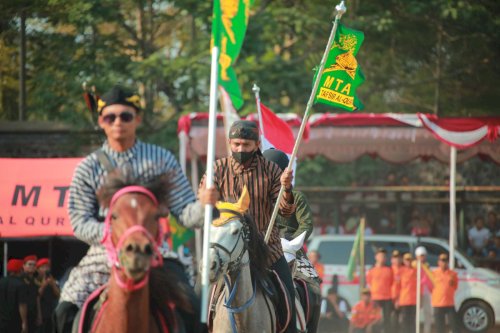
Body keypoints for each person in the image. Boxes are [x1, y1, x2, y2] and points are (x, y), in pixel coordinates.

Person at [57, 85, 212, 333]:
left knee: (192, 308)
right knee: (64, 311)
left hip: (156, 252)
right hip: (103, 255)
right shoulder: (88, 168)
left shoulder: (161, 159)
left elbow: (185, 213)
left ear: (137, 118)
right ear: (101, 121)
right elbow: (79, 221)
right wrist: (116, 235)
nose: (118, 122)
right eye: (110, 117)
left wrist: (205, 206)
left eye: (125, 116)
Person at [198, 120, 297, 333]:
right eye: (236, 145)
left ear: (257, 144)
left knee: (288, 303)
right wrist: (204, 199)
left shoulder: (271, 170)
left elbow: (285, 211)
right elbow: (201, 207)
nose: (241, 149)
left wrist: (287, 189)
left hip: (267, 250)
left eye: (246, 145)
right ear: (229, 143)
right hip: (224, 251)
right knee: (196, 300)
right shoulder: (215, 170)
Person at [366, 248, 393, 333]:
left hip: (387, 298)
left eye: (384, 256)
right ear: (376, 257)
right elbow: (369, 282)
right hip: (376, 298)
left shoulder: (389, 270)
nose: (382, 258)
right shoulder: (371, 270)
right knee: (375, 319)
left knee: (386, 319)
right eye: (380, 256)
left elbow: (392, 283)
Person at [432, 253, 459, 333]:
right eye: (442, 260)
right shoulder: (434, 273)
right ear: (438, 262)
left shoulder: (453, 274)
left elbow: (455, 287)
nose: (444, 263)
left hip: (449, 303)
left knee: (455, 326)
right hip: (437, 304)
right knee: (439, 328)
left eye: (445, 261)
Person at [0, 259, 28, 333]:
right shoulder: (21, 285)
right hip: (15, 321)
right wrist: (24, 322)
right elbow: (22, 305)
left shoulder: (1, 282)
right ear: (20, 270)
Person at [36, 258, 60, 333]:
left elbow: (59, 295)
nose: (46, 269)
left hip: (51, 313)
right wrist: (43, 285)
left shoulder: (53, 281)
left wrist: (52, 284)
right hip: (40, 313)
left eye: (47, 267)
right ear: (38, 270)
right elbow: (37, 296)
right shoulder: (35, 281)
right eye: (43, 267)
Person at [395, 253, 417, 332]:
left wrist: (420, 298)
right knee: (404, 320)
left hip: (414, 300)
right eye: (407, 260)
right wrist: (397, 299)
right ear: (404, 261)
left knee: (413, 320)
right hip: (404, 300)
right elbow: (397, 286)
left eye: (410, 260)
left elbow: (419, 286)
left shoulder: (416, 271)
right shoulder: (400, 271)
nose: (409, 261)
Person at [415, 246, 434, 333]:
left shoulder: (427, 266)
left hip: (426, 292)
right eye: (421, 255)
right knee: (415, 314)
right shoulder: (414, 266)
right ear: (417, 256)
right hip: (416, 293)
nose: (422, 257)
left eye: (424, 255)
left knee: (428, 314)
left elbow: (431, 279)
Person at [22, 255, 41, 333]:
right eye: (29, 264)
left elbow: (37, 298)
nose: (32, 267)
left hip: (33, 313)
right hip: (22, 314)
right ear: (24, 266)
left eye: (34, 265)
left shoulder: (35, 282)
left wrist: (39, 315)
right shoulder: (20, 280)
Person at [390, 250, 402, 332]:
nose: (397, 260)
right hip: (389, 299)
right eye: (395, 258)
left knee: (400, 321)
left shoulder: (403, 270)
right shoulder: (388, 270)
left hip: (400, 299)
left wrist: (398, 299)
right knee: (391, 321)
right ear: (391, 260)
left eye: (398, 258)